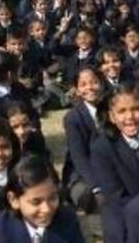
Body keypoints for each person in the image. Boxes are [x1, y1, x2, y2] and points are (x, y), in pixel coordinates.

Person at [90, 84, 139, 242]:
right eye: (122, 111)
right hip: (122, 219)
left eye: (136, 109)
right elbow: (115, 195)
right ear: (112, 116)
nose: (130, 116)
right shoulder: (102, 148)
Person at [0, 155, 84, 242]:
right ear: (13, 200)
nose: (47, 209)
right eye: (36, 202)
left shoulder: (68, 221)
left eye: (52, 198)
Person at [62, 67, 101, 214]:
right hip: (82, 174)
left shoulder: (111, 111)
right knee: (86, 195)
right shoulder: (73, 118)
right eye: (83, 84)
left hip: (107, 168)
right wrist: (96, 186)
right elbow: (79, 158)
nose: (90, 87)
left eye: (94, 82)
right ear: (77, 90)